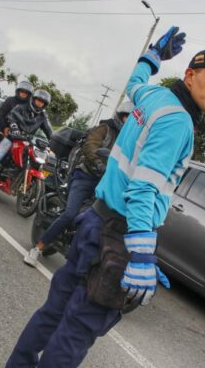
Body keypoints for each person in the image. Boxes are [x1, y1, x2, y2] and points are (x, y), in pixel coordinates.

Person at [0, 27, 205, 368]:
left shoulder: (153, 99)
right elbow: (145, 188)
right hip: (120, 234)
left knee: (53, 313)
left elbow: (134, 83)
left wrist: (152, 55)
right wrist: (143, 253)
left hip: (95, 218)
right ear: (190, 74)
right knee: (77, 329)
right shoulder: (179, 122)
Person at [23, 101, 133, 266]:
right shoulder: (104, 129)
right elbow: (90, 146)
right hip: (86, 176)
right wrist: (98, 163)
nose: (127, 122)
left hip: (105, 183)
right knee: (70, 214)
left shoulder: (128, 141)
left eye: (131, 120)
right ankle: (37, 248)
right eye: (126, 118)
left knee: (104, 220)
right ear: (120, 116)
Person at [0, 88, 53, 191]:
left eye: (42, 102)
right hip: (12, 138)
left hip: (26, 141)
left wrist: (52, 142)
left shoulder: (42, 116)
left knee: (31, 160)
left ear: (44, 105)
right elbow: (11, 117)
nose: (39, 103)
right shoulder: (21, 107)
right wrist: (14, 128)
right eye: (38, 100)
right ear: (33, 99)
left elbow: (48, 130)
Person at [0, 81, 33, 159]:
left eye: (26, 93)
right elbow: (1, 115)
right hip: (3, 126)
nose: (23, 94)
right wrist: (4, 127)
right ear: (18, 91)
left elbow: (29, 122)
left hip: (18, 131)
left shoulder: (29, 107)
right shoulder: (10, 100)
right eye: (22, 92)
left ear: (29, 95)